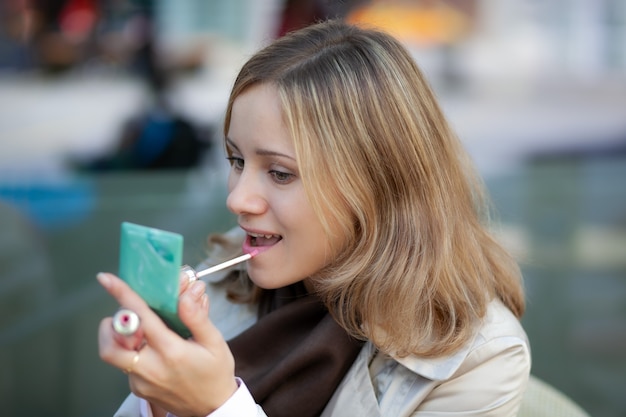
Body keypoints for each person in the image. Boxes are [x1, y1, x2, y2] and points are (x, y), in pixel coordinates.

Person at [97, 19, 530, 417]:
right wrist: (155, 395)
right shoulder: (221, 283)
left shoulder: (483, 361)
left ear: (378, 184)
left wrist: (218, 407)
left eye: (280, 173)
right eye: (235, 160)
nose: (238, 200)